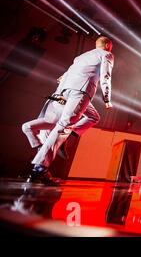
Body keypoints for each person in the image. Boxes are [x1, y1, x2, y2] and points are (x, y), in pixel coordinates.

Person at [26, 36, 114, 184]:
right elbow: (106, 76)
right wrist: (107, 98)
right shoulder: (106, 54)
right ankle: (39, 170)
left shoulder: (80, 57)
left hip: (66, 91)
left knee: (93, 116)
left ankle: (70, 136)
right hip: (81, 92)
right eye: (110, 47)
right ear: (107, 45)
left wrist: (58, 94)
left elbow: (65, 76)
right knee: (63, 127)